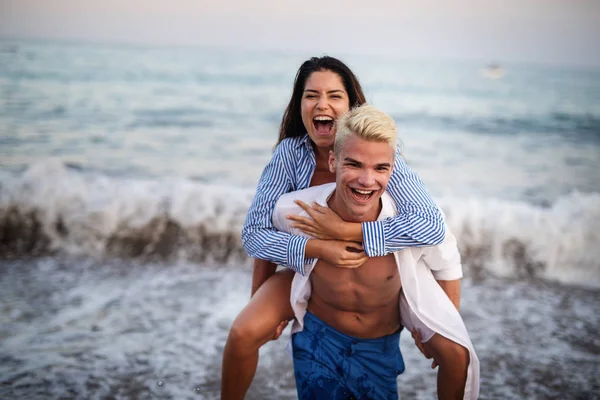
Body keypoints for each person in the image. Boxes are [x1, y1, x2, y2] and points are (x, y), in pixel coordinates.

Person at [221, 56, 450, 399]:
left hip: (379, 284)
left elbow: (431, 227)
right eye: (311, 95)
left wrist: (348, 233)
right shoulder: (289, 155)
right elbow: (255, 234)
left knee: (452, 355)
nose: (322, 104)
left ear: (352, 106)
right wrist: (317, 247)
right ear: (299, 104)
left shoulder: (382, 156)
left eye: (334, 96)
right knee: (242, 333)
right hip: (309, 272)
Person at [273, 105, 479, 399]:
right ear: (333, 161)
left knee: (458, 356)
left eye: (380, 168)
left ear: (392, 170)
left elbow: (447, 262)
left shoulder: (412, 226)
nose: (367, 180)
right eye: (354, 164)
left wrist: (440, 325)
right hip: (318, 341)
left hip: (378, 349)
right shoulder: (300, 211)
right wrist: (268, 308)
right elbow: (261, 240)